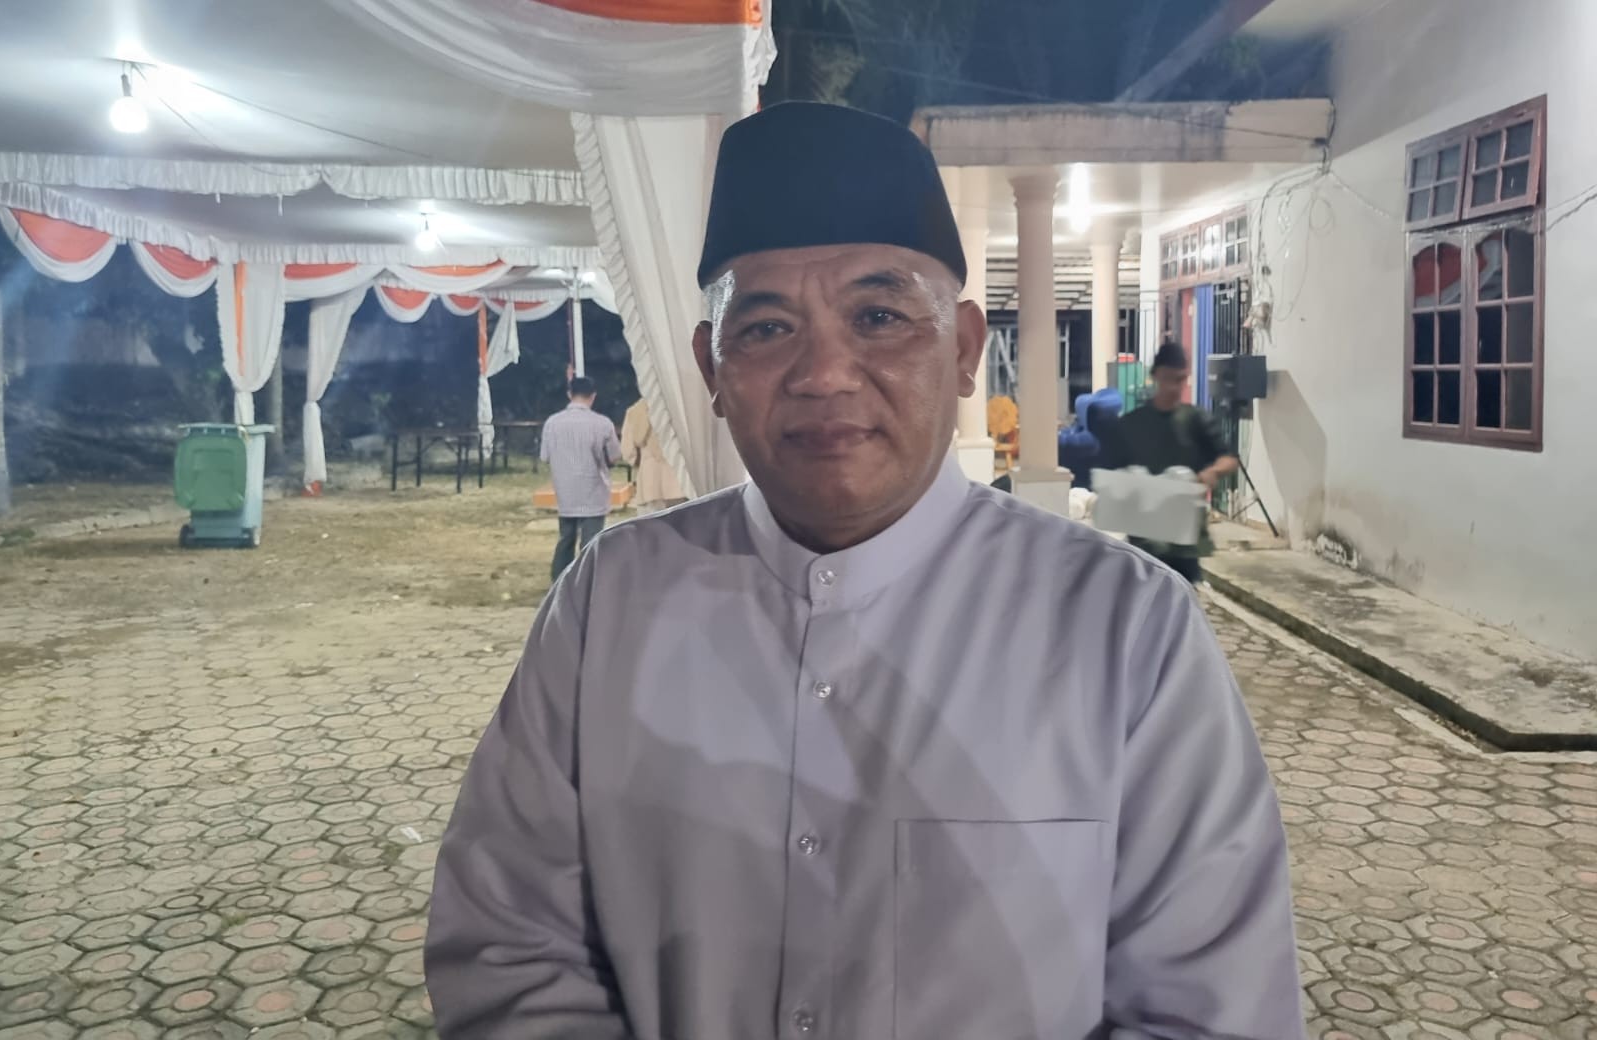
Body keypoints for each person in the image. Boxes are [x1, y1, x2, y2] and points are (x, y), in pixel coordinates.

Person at [428, 102, 1304, 1040]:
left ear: (963, 350)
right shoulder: (610, 603)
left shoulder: (1126, 629)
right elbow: (508, 943)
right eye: (766, 329)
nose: (825, 374)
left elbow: (1212, 1010)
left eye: (879, 317)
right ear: (711, 371)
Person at [1103, 341, 1240, 585]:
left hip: (1183, 540)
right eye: (1168, 378)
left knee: (1182, 599)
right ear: (1155, 376)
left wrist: (1213, 471)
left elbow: (1229, 459)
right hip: (1144, 540)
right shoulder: (1132, 424)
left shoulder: (1196, 420)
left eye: (1180, 379)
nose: (1174, 387)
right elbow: (1111, 474)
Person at [538, 376, 620, 582]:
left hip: (565, 490)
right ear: (593, 396)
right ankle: (586, 582)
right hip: (593, 489)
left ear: (569, 394)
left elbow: (545, 456)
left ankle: (560, 581)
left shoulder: (552, 423)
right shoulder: (602, 423)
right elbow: (614, 456)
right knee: (590, 541)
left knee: (566, 538)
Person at [619, 395, 686, 516]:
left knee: (651, 524)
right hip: (678, 479)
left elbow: (627, 451)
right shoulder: (680, 407)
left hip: (649, 480)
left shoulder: (634, 411)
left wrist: (638, 462)